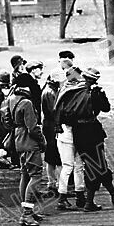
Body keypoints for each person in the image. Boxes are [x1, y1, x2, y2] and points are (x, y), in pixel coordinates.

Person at [56, 66, 114, 212]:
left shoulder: (70, 91)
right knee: (97, 166)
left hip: (78, 133)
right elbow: (106, 108)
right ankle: (90, 202)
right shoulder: (93, 93)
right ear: (94, 80)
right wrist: (101, 94)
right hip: (91, 131)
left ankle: (113, 195)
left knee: (97, 165)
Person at [2, 73, 47, 226]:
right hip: (29, 142)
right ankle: (27, 214)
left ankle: (28, 210)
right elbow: (33, 128)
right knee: (36, 176)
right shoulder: (26, 102)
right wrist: (43, 141)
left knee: (25, 175)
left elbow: (6, 121)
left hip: (17, 141)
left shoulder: (11, 99)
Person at [53, 65, 87, 210]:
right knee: (74, 165)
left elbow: (56, 110)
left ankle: (68, 195)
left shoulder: (63, 89)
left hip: (64, 131)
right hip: (71, 130)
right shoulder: (77, 91)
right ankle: (73, 195)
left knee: (71, 165)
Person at [40, 69, 63, 197]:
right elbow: (53, 112)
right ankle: (56, 183)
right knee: (55, 156)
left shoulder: (49, 90)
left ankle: (53, 182)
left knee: (51, 156)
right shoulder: (50, 93)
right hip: (52, 127)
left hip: (49, 126)